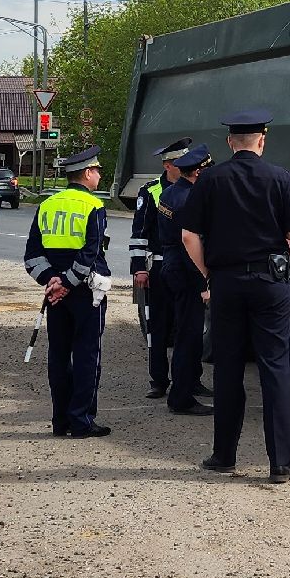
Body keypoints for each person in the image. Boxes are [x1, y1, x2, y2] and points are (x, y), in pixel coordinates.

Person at [176, 109, 290, 483]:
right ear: (262, 140)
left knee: (228, 368)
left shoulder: (210, 179)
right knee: (275, 367)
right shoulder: (281, 178)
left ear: (231, 142)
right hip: (271, 284)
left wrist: (208, 274)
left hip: (226, 283)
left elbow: (189, 236)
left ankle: (224, 456)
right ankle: (280, 463)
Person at [23, 146, 113, 439]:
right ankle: (82, 421)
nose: (99, 175)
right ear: (87, 173)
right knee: (87, 355)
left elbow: (32, 255)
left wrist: (51, 281)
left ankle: (60, 421)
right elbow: (90, 254)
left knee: (59, 356)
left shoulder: (47, 205)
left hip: (54, 296)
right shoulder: (93, 206)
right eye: (97, 170)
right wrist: (67, 282)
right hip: (87, 293)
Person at [130, 137, 192, 399]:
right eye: (182, 162)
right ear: (169, 165)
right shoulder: (151, 191)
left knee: (187, 327)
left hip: (189, 266)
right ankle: (158, 380)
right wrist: (138, 268)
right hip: (159, 266)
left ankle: (191, 379)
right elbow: (139, 232)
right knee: (159, 326)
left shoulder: (194, 187)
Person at [155, 145, 215, 416]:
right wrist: (205, 280)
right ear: (198, 172)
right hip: (186, 268)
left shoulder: (170, 192)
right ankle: (181, 397)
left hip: (172, 264)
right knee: (189, 336)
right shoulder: (189, 198)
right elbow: (190, 240)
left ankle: (187, 386)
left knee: (184, 331)